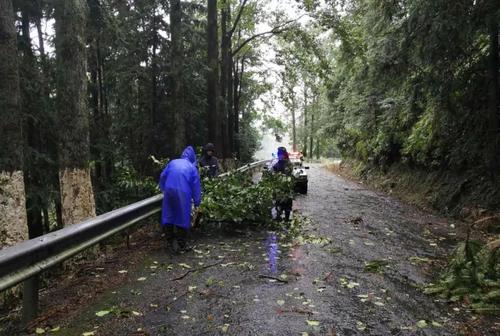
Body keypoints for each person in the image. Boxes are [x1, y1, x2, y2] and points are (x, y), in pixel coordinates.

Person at [159, 146, 201, 252]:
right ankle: (181, 244)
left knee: (169, 214)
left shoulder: (173, 162)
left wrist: (163, 188)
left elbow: (163, 175)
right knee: (182, 215)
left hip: (169, 190)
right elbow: (196, 186)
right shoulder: (192, 168)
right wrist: (197, 202)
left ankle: (169, 241)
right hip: (183, 191)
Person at [272, 146, 293, 221]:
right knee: (278, 202)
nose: (280, 156)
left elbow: (288, 172)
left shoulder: (288, 163)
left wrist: (281, 174)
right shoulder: (277, 163)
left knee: (287, 202)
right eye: (279, 154)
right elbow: (273, 171)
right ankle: (278, 216)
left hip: (286, 187)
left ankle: (287, 218)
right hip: (278, 187)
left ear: (284, 154)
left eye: (281, 154)